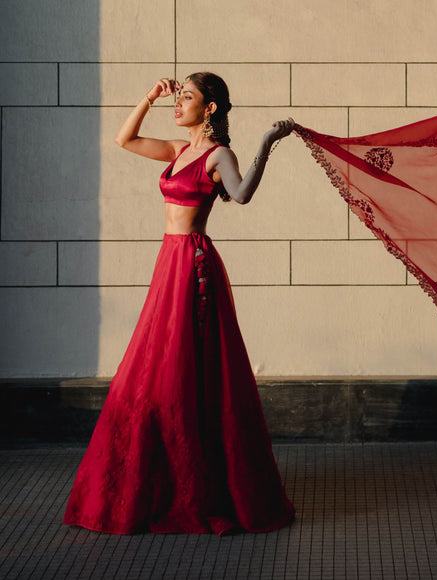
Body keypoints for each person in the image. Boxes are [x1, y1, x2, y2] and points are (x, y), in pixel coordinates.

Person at [63, 73, 295, 535]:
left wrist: (267, 141)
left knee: (185, 368)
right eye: (179, 95)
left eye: (187, 97)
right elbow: (123, 138)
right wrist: (149, 95)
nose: (178, 103)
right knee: (159, 367)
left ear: (209, 108)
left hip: (193, 264)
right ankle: (167, 476)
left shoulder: (218, 156)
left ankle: (200, 483)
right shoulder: (177, 151)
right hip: (168, 262)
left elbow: (242, 194)